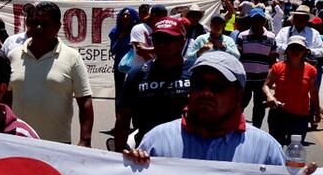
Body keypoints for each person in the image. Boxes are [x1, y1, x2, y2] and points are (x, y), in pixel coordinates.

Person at [122, 51, 290, 167]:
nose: (206, 93)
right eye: (199, 84)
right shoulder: (156, 141)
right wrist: (132, 167)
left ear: (238, 95)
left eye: (218, 87)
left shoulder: (266, 150)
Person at [7, 1, 94, 145]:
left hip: (57, 147)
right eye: (35, 22)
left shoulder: (72, 58)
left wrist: (85, 139)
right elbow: (5, 98)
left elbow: (84, 100)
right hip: (18, 144)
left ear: (58, 27)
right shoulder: (13, 56)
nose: (38, 27)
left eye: (45, 24)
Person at [113, 16, 190, 150]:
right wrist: (119, 154)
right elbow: (123, 118)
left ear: (182, 43)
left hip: (187, 151)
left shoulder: (196, 72)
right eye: (158, 40)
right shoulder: (137, 74)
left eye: (167, 40)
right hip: (146, 153)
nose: (161, 45)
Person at [263, 35, 318, 145]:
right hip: (279, 113)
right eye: (292, 48)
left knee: (295, 150)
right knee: (276, 146)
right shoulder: (277, 67)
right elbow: (266, 86)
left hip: (300, 116)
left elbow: (313, 93)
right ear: (287, 51)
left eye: (300, 49)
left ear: (305, 52)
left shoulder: (311, 70)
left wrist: (316, 112)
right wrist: (270, 96)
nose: (295, 51)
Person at [236, 8, 278, 129]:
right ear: (251, 21)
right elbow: (238, 57)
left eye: (260, 20)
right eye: (255, 20)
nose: (257, 23)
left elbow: (273, 58)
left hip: (262, 80)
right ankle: (237, 126)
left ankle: (256, 129)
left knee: (259, 107)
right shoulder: (242, 36)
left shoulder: (271, 37)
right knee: (241, 104)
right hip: (245, 78)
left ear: (264, 21)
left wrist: (272, 79)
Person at [127, 4, 167, 72]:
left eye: (164, 15)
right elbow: (140, 50)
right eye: (159, 15)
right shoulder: (139, 28)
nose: (162, 17)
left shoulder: (162, 30)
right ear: (152, 15)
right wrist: (158, 65)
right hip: (141, 71)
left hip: (158, 71)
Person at [109, 7, 140, 93]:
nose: (125, 17)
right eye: (124, 15)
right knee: (119, 91)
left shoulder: (137, 31)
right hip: (120, 66)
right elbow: (112, 50)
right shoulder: (115, 32)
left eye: (128, 15)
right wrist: (119, 39)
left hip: (135, 66)